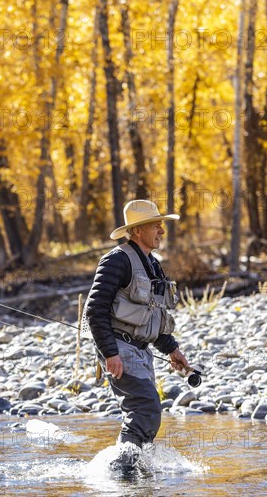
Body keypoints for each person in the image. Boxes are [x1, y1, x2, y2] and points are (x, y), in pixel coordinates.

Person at [84, 200, 191, 471]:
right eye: (156, 225)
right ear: (138, 230)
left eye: (161, 225)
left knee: (147, 412)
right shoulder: (116, 260)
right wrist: (110, 353)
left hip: (142, 350)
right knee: (145, 407)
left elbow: (154, 315)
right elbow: (95, 310)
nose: (161, 230)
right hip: (119, 348)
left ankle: (135, 469)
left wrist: (172, 349)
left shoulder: (153, 265)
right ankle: (120, 470)